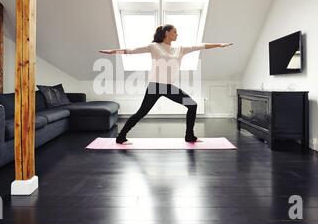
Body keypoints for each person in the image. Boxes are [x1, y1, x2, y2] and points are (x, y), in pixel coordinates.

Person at [100, 24, 233, 144]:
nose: (177, 34)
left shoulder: (180, 49)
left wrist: (219, 44)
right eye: (175, 32)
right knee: (141, 113)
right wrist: (113, 51)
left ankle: (189, 136)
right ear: (167, 33)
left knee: (192, 105)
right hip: (155, 86)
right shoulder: (154, 47)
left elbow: (200, 46)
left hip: (169, 87)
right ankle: (121, 136)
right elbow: (132, 50)